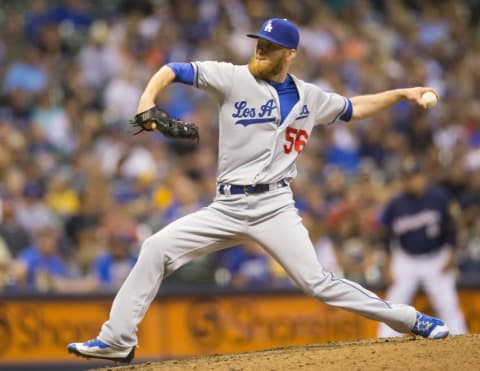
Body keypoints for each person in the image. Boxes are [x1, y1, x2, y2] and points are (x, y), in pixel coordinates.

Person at [68, 18, 450, 363]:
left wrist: (401, 94)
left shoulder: (309, 97)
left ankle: (411, 319)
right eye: (258, 44)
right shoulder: (232, 77)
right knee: (155, 248)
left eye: (268, 47)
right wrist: (146, 100)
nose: (259, 51)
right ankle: (118, 339)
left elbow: (354, 107)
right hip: (227, 205)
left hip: (275, 205)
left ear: (290, 54)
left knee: (317, 283)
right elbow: (173, 69)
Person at [377, 159, 467, 338]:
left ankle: (462, 340)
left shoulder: (440, 197)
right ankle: (383, 342)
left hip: (436, 257)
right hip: (406, 259)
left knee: (447, 303)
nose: (412, 181)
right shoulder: (395, 205)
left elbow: (454, 229)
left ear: (423, 177)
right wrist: (388, 266)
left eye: (415, 176)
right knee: (393, 302)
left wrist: (451, 257)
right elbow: (386, 237)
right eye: (408, 178)